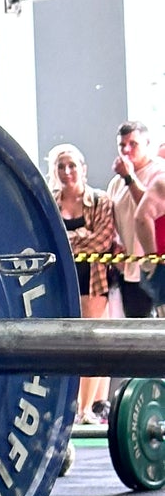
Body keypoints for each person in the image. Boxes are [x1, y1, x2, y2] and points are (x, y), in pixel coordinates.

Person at [46, 144, 117, 426]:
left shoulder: (100, 201)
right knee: (63, 343)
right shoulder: (50, 201)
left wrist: (69, 239)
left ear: (83, 169)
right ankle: (68, 406)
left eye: (72, 165)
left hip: (93, 280)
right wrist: (79, 236)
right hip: (59, 280)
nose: (67, 172)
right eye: (61, 166)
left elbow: (101, 241)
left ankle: (84, 409)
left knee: (92, 342)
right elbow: (50, 240)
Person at [105, 120, 165, 320]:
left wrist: (130, 178)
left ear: (147, 143)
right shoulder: (115, 182)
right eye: (122, 145)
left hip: (155, 264)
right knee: (137, 327)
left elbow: (148, 210)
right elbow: (111, 219)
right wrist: (115, 246)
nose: (126, 150)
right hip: (129, 267)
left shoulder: (159, 172)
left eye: (133, 144)